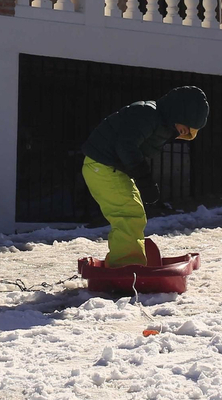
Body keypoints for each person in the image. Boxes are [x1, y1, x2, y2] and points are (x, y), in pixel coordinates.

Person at [79, 86, 210, 267]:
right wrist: (144, 179)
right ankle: (126, 266)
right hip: (101, 166)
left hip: (108, 167)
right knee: (127, 214)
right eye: (186, 128)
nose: (185, 134)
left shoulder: (160, 121)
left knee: (136, 213)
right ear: (180, 113)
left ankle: (127, 260)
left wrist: (143, 179)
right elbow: (126, 146)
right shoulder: (148, 114)